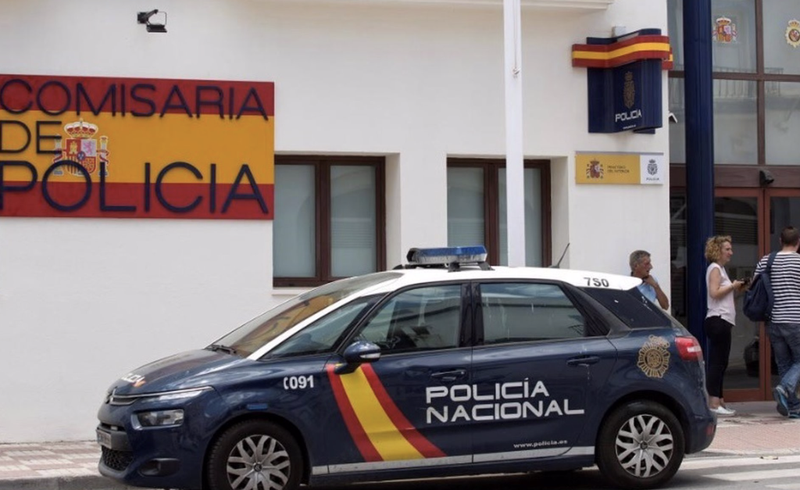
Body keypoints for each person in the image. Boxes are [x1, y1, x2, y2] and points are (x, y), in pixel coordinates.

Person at [754, 226, 800, 419]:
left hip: (773, 320)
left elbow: (755, 285)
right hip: (796, 319)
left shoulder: (767, 260)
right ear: (798, 242)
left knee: (784, 363)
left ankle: (793, 408)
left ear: (780, 241)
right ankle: (785, 387)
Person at [704, 236, 746, 416]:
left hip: (723, 319)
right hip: (718, 319)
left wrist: (737, 289)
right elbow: (714, 293)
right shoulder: (715, 268)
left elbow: (723, 295)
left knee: (722, 362)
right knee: (717, 362)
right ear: (718, 251)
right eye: (727, 249)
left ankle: (720, 400)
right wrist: (733, 286)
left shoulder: (721, 269)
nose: (731, 252)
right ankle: (713, 402)